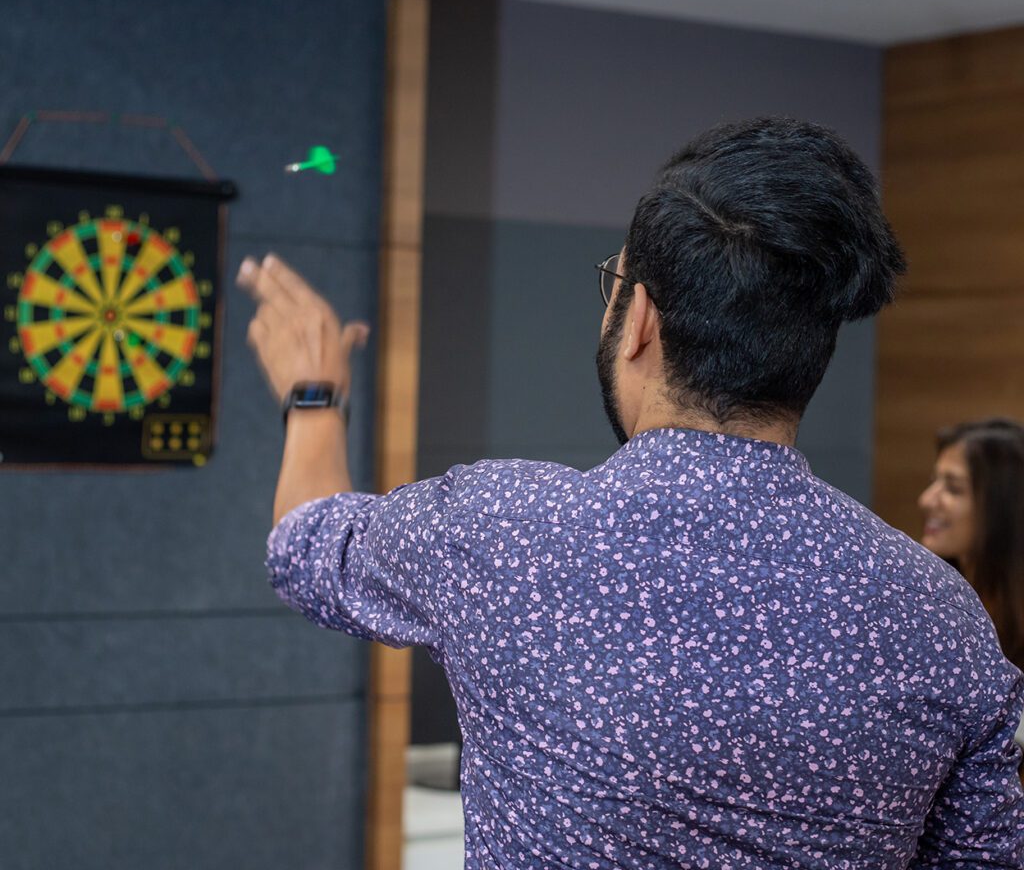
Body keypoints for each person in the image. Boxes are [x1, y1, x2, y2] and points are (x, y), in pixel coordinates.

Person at [239, 117, 1023, 868]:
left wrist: (314, 395)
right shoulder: (942, 619)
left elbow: (307, 543)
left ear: (638, 318)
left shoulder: (499, 532)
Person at [919, 417, 1024, 751]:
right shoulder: (927, 605)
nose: (926, 499)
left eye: (953, 488)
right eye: (934, 481)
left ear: (1004, 506)